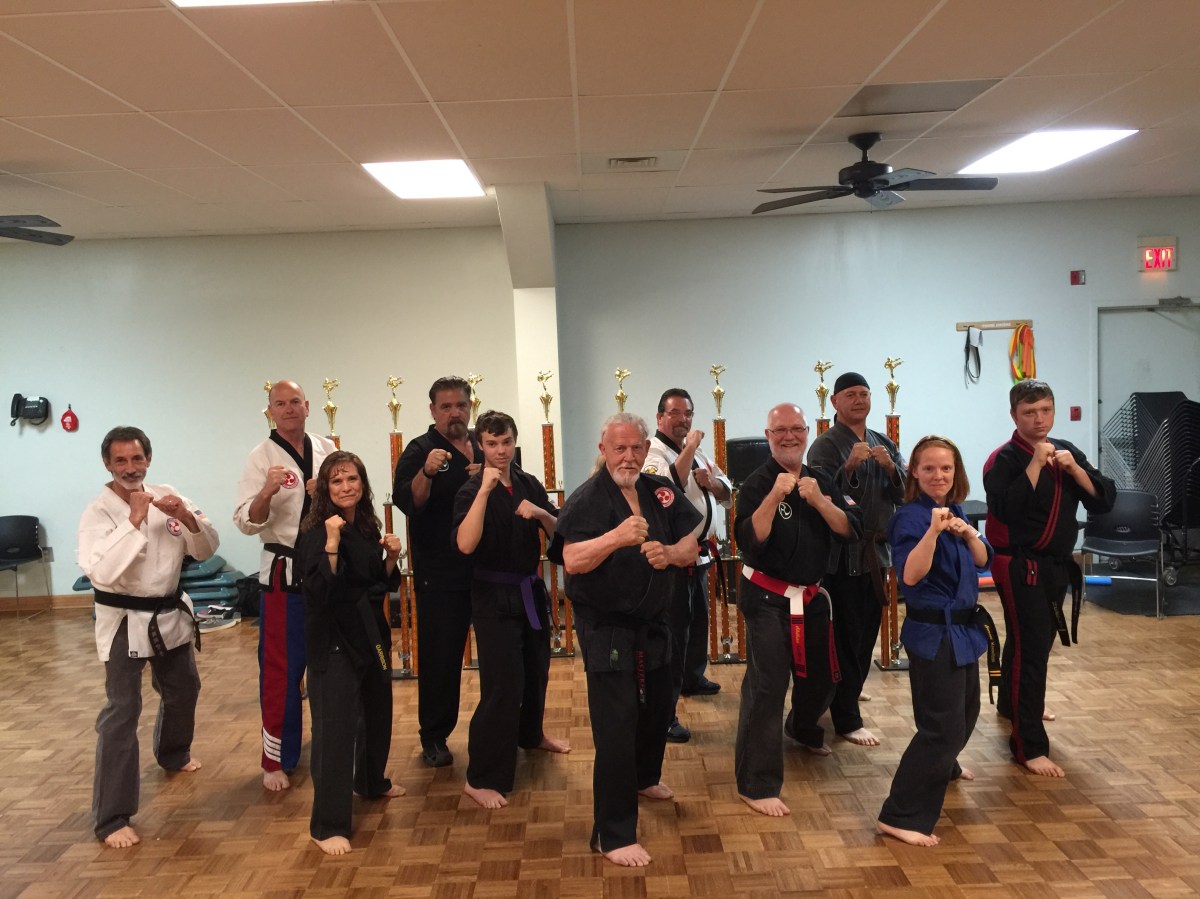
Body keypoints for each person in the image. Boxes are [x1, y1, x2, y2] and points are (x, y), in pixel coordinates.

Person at [552, 412, 701, 866]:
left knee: (657, 709)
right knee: (616, 726)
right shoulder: (588, 499)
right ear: (604, 450)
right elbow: (571, 560)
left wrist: (670, 553)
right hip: (606, 627)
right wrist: (616, 538)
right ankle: (611, 835)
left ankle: (644, 777)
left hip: (654, 622)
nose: (629, 457)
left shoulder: (659, 490)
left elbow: (691, 543)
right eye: (620, 448)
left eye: (637, 447)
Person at [78, 426, 218, 848]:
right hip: (123, 616)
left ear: (148, 459)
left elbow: (206, 549)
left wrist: (187, 517)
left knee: (184, 687)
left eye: (136, 459)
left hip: (167, 610)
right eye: (120, 460)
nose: (130, 468)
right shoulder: (97, 512)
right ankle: (112, 817)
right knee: (123, 710)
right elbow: (102, 573)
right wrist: (134, 521)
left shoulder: (167, 495)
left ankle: (173, 753)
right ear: (107, 464)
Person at [983, 379, 1115, 777]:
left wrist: (1074, 469)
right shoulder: (1003, 459)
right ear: (1014, 416)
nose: (1038, 419)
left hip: (1056, 564)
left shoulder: (1066, 450)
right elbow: (1007, 510)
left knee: (1031, 642)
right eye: (1029, 412)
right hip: (1018, 564)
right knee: (1030, 648)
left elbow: (1104, 500)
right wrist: (1036, 464)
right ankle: (1029, 745)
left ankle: (1014, 706)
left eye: (1045, 410)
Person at [734, 403, 860, 817]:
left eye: (796, 429)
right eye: (780, 430)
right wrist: (775, 496)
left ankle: (802, 728)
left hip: (811, 596)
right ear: (768, 436)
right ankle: (756, 783)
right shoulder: (756, 483)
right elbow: (750, 541)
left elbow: (850, 529)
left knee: (823, 679)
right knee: (768, 686)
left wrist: (820, 501)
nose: (789, 436)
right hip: (766, 598)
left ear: (808, 432)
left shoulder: (822, 478)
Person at [877, 435, 993, 847]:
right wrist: (932, 533)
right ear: (914, 472)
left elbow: (983, 560)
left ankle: (944, 765)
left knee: (966, 712)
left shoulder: (955, 509)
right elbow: (910, 575)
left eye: (946, 468)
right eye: (929, 468)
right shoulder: (909, 518)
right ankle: (899, 815)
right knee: (940, 727)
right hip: (933, 633)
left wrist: (968, 534)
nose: (938, 475)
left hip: (963, 631)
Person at [452, 410, 570, 809]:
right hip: (492, 597)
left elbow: (558, 534)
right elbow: (465, 545)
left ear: (514, 442)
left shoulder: (528, 483)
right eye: (492, 444)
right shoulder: (470, 491)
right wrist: (484, 492)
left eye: (506, 443)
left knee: (537, 672)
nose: (500, 451)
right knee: (502, 687)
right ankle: (480, 777)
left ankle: (531, 735)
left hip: (528, 591)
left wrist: (542, 513)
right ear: (480, 445)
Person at [296, 451, 405, 855]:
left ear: (363, 483)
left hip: (370, 634)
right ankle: (326, 826)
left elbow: (378, 584)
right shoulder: (315, 533)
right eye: (337, 481)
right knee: (335, 731)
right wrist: (331, 543)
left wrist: (390, 559)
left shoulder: (365, 524)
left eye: (352, 479)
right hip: (334, 640)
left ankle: (371, 782)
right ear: (325, 489)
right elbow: (319, 593)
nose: (346, 487)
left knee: (377, 713)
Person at [234, 380, 337, 791]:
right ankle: (276, 760)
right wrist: (267, 490)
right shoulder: (260, 457)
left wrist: (324, 493)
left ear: (307, 406)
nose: (289, 408)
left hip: (327, 569)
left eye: (295, 401)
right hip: (284, 573)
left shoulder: (326, 448)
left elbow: (350, 495)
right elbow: (246, 521)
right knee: (282, 670)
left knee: (331, 666)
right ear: (270, 411)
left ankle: (334, 744)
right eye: (281, 403)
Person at [806, 372, 906, 747]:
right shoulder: (824, 445)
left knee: (866, 633)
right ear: (835, 402)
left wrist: (891, 469)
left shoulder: (884, 442)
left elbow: (905, 494)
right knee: (846, 638)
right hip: (841, 556)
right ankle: (847, 718)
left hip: (876, 553)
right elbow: (818, 496)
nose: (859, 400)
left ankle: (848, 691)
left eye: (864, 393)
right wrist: (847, 467)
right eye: (850, 394)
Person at [392, 376, 483, 767]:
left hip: (487, 570)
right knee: (441, 659)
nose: (454, 413)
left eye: (460, 405)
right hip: (440, 574)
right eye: (445, 407)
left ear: (470, 407)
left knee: (500, 656)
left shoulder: (485, 444)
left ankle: (503, 729)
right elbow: (409, 503)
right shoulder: (420, 449)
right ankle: (434, 736)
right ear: (432, 411)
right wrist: (427, 473)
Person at [642, 388, 732, 744]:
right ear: (660, 417)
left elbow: (726, 489)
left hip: (701, 554)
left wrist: (715, 484)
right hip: (673, 558)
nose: (683, 420)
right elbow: (666, 489)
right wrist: (691, 447)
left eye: (688, 413)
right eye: (675, 413)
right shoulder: (653, 453)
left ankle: (692, 678)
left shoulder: (701, 454)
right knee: (673, 634)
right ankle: (665, 714)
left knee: (697, 622)